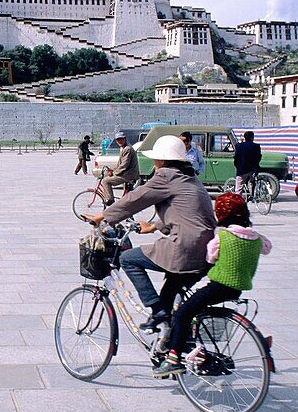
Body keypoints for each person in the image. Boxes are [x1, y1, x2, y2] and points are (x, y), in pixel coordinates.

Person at [83, 134, 216, 330]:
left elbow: (136, 198)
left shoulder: (166, 175)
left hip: (186, 248)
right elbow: (187, 215)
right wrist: (153, 227)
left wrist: (101, 217)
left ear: (161, 159)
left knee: (128, 259)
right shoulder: (189, 177)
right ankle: (173, 347)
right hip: (207, 249)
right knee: (171, 291)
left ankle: (156, 309)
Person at [154, 192, 271, 378]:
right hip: (238, 288)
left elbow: (210, 256)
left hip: (219, 286)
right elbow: (267, 248)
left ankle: (173, 359)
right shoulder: (257, 239)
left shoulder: (222, 237)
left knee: (183, 312)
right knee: (195, 309)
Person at [99, 131, 140, 205]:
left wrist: (114, 173)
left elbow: (124, 165)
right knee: (125, 198)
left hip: (128, 175)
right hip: (127, 174)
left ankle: (110, 200)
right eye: (118, 140)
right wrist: (113, 170)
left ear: (125, 139)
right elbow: (120, 165)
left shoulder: (127, 149)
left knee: (106, 181)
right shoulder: (124, 148)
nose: (120, 141)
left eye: (121, 139)